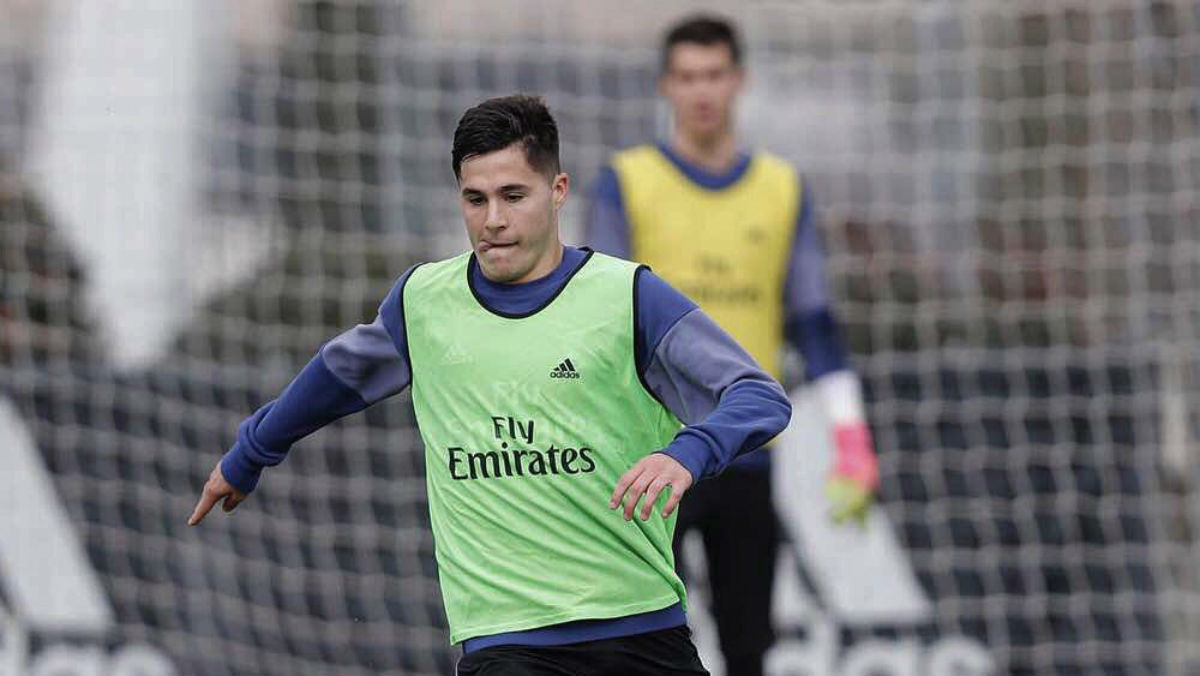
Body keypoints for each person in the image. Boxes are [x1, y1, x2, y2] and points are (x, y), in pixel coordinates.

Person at [188, 95, 792, 676]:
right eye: (474, 199)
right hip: (506, 641)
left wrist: (686, 452)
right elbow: (337, 375)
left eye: (513, 195)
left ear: (558, 192)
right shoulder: (423, 304)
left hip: (638, 627)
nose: (493, 220)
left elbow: (759, 396)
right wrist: (252, 452)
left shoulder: (628, 296)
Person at [586, 16, 880, 676]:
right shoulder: (626, 181)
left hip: (744, 455)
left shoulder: (780, 188)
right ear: (666, 86)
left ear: (739, 80)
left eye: (714, 74)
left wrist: (851, 439)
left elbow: (814, 320)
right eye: (687, 77)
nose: (702, 92)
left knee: (750, 649)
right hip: (649, 459)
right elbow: (597, 320)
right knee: (625, 647)